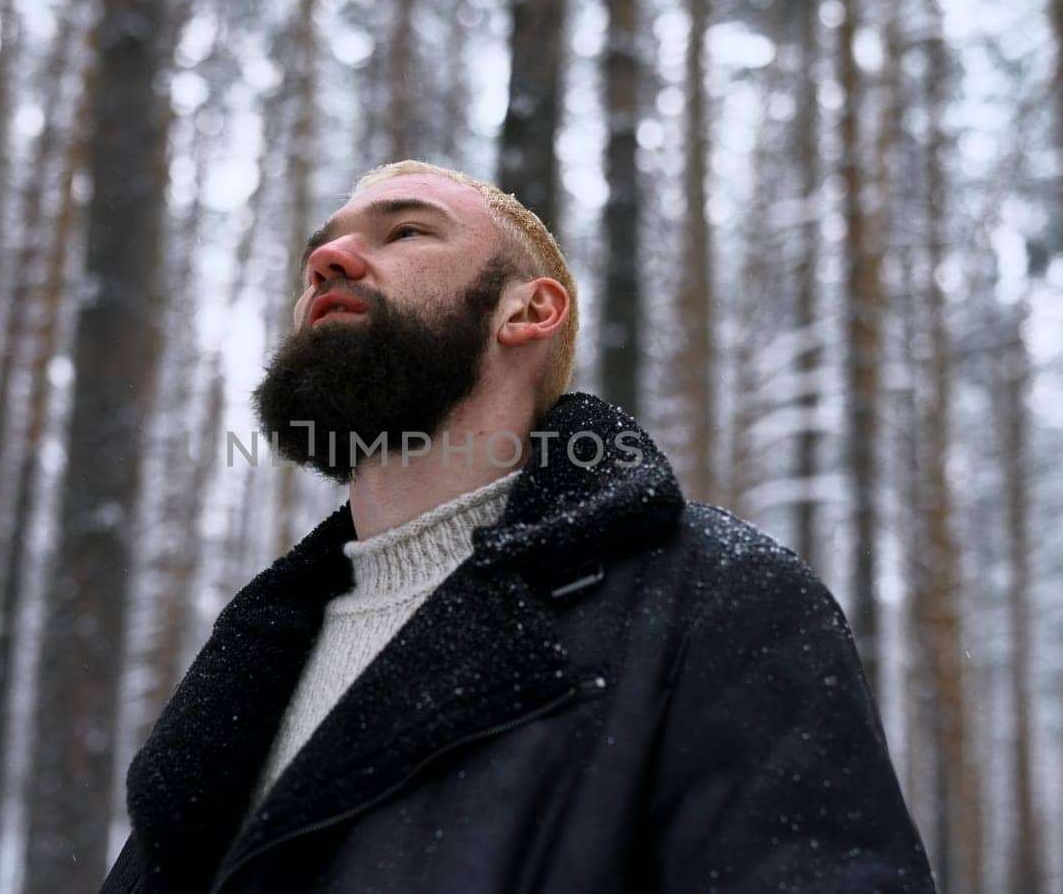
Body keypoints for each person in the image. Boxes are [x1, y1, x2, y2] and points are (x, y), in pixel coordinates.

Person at [99, 161, 933, 893]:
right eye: (325, 244)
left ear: (528, 310)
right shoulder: (259, 651)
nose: (329, 259)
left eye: (407, 232)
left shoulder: (711, 601)